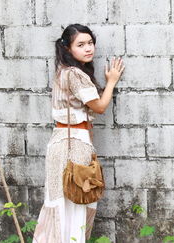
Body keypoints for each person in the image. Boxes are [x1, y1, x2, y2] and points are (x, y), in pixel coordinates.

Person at [33, 23, 125, 242]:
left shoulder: (65, 72)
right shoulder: (74, 74)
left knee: (67, 202)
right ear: (67, 48)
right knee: (73, 202)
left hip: (67, 142)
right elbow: (100, 107)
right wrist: (111, 81)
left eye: (90, 43)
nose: (88, 49)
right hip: (71, 145)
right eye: (81, 44)